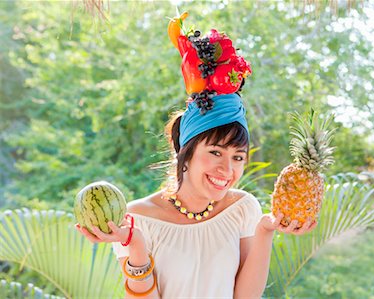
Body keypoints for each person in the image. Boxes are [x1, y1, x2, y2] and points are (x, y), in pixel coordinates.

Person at [75, 14, 318, 298]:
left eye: (238, 157)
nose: (227, 169)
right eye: (215, 152)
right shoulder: (137, 219)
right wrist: (135, 245)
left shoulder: (243, 209)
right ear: (185, 153)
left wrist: (265, 230)